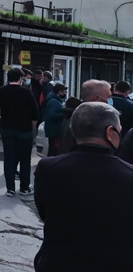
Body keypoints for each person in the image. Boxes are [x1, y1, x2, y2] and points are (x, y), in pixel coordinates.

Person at [33, 102, 133, 272]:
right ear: (110, 132)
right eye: (119, 129)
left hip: (58, 262)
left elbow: (44, 211)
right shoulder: (128, 174)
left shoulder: (49, 168)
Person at [0, 68, 38, 196]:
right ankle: (24, 188)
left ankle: (10, 188)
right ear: (20, 78)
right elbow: (35, 113)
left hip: (7, 129)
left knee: (9, 158)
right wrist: (32, 127)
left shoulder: (1, 91)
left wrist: (1, 120)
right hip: (24, 130)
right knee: (25, 159)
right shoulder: (27, 92)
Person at [58, 79, 111, 154]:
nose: (110, 100)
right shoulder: (87, 121)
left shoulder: (75, 115)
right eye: (108, 97)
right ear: (97, 98)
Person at [42, 83, 67, 156]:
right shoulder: (54, 102)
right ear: (59, 92)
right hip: (54, 130)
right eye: (64, 92)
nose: (65, 94)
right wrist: (64, 114)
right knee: (53, 150)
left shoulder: (55, 100)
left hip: (53, 130)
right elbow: (52, 115)